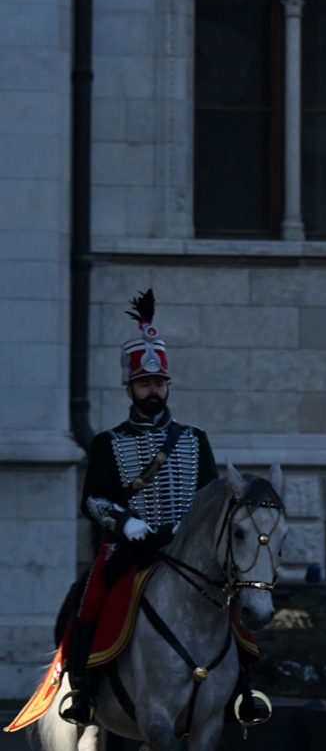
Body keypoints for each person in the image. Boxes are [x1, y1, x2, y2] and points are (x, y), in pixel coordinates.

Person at [59, 291, 220, 725]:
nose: (154, 391)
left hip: (185, 550)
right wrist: (124, 521)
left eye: (159, 383)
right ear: (129, 388)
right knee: (90, 598)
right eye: (146, 384)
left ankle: (244, 688)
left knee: (234, 597)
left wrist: (198, 531)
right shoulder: (108, 442)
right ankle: (82, 687)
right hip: (131, 548)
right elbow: (93, 500)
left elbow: (210, 496)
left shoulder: (194, 439)